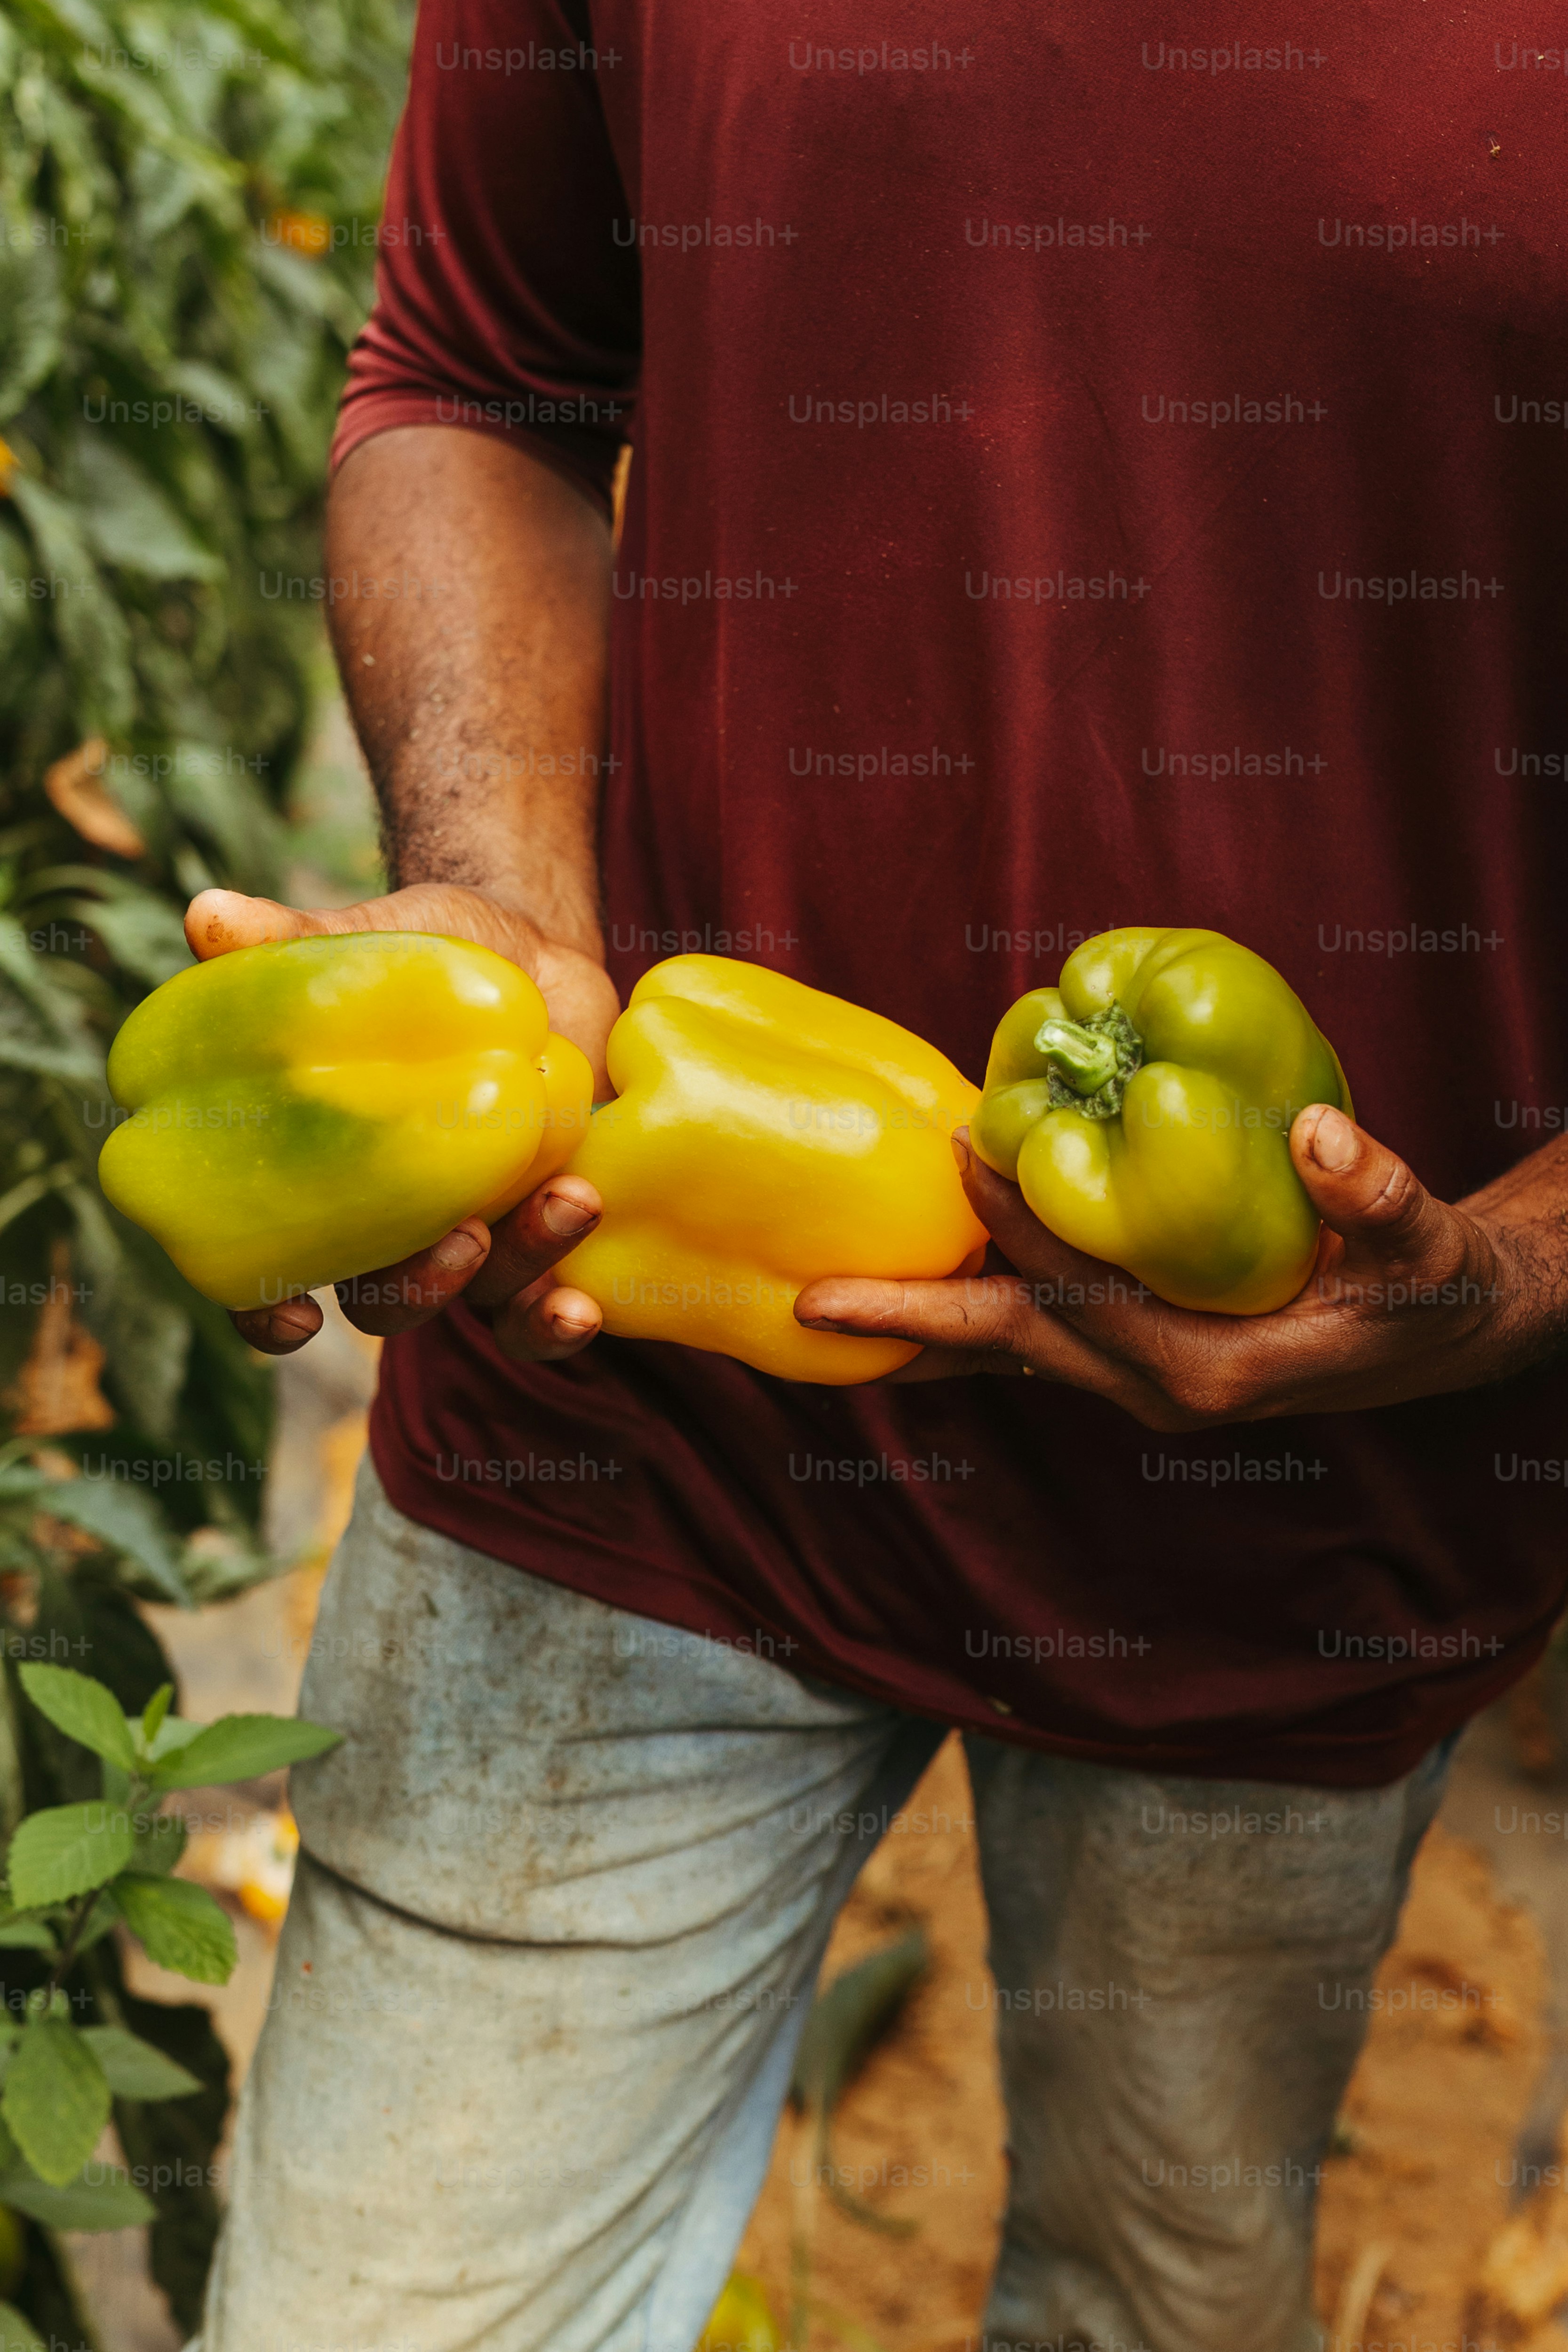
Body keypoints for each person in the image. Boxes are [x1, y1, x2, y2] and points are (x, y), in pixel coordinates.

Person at [186, 5, 1568, 2346]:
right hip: (618, 1373)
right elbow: (472, 373)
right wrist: (508, 905)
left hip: (1321, 1512)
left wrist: (1514, 1275)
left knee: (1155, 2290)